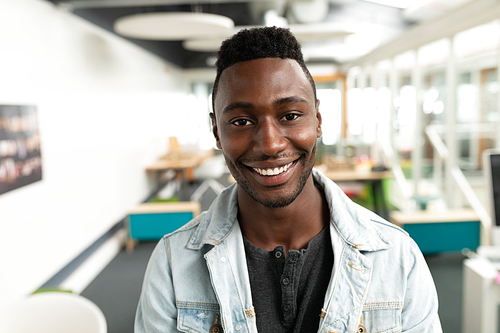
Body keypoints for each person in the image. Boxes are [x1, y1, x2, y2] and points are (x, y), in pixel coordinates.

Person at [135, 27, 442, 333]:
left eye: (290, 116)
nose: (270, 145)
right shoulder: (173, 263)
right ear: (217, 132)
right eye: (241, 121)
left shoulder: (397, 257)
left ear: (318, 121)